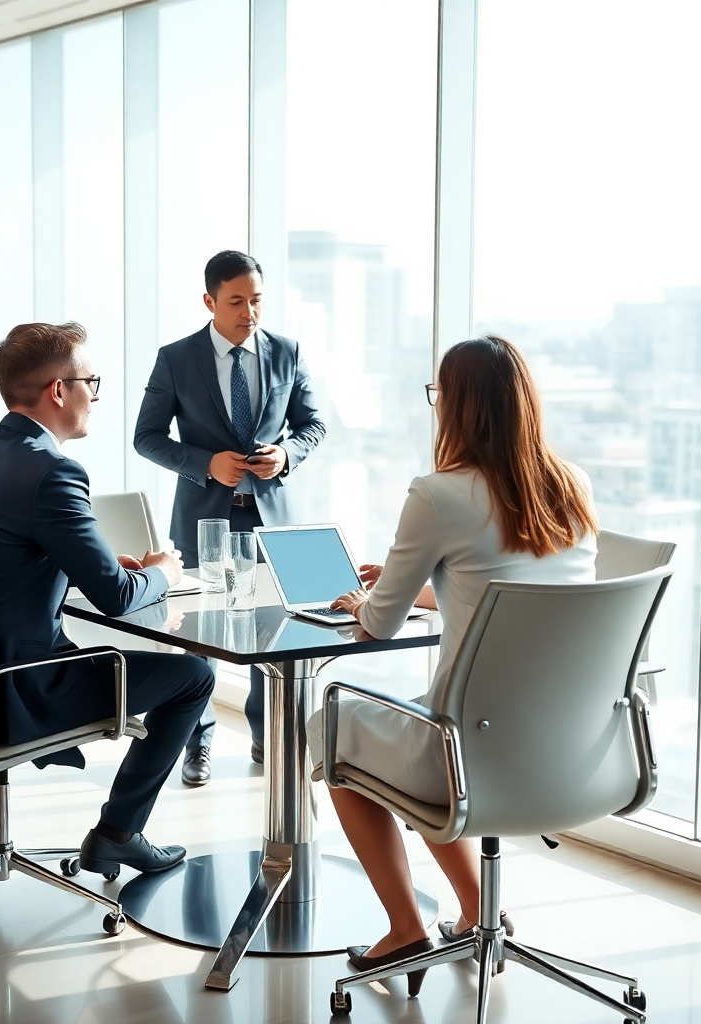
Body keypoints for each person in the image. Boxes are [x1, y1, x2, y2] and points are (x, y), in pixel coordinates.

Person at [307, 335, 598, 994]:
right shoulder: (569, 483)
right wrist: (431, 579)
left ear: (458, 406)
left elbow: (378, 625)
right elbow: (514, 588)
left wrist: (368, 599)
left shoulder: (439, 493)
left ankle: (406, 925)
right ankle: (476, 911)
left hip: (468, 754)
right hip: (569, 750)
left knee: (333, 724)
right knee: (418, 730)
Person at [0, 321, 215, 879]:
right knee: (195, 677)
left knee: (180, 671)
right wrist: (159, 571)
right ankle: (118, 834)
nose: (97, 395)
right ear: (59, 390)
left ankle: (118, 833)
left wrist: (105, 568)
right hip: (17, 686)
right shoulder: (54, 470)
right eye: (92, 381)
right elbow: (116, 599)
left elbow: (2, 559)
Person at [134, 250, 326, 785]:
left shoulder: (287, 352)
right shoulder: (176, 358)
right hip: (205, 520)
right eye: (237, 301)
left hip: (271, 521)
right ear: (209, 301)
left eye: (257, 300)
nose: (249, 312)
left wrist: (286, 454)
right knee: (203, 634)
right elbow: (146, 437)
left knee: (273, 631)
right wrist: (204, 463)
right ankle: (197, 743)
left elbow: (313, 426)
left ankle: (269, 737)